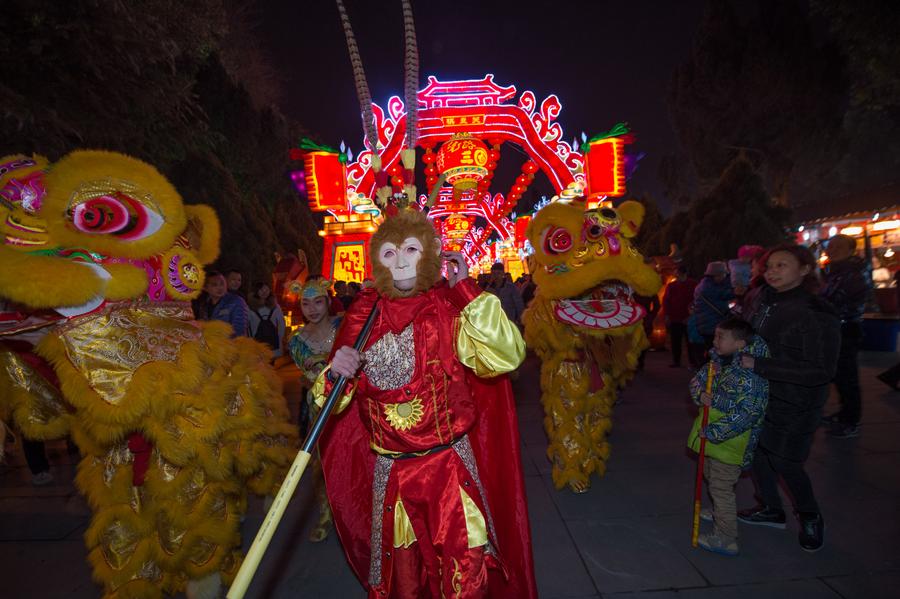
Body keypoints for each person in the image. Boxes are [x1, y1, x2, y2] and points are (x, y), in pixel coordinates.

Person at [314, 208, 537, 598]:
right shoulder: (362, 315)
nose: (400, 261)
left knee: (464, 577)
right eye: (389, 253)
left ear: (430, 255)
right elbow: (332, 400)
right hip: (394, 475)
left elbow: (506, 355)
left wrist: (467, 290)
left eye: (411, 250)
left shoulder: (449, 308)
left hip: (448, 468)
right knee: (406, 582)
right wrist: (336, 373)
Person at [737, 245, 840, 553]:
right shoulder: (760, 299)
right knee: (756, 452)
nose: (772, 271)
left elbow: (821, 370)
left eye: (782, 265)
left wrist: (760, 365)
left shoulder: (817, 312)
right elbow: (746, 333)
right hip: (757, 393)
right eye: (769, 265)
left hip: (796, 402)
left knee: (786, 460)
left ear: (805, 270)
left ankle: (809, 515)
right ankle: (770, 507)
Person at [687, 318, 769, 556]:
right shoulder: (718, 362)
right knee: (712, 476)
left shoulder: (749, 374)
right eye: (715, 336)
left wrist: (714, 431)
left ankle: (725, 537)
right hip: (713, 438)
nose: (715, 341)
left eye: (721, 337)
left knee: (722, 487)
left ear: (740, 343)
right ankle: (719, 512)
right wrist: (700, 394)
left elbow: (749, 412)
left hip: (732, 441)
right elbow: (696, 382)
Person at [288, 278, 341, 542]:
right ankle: (325, 513)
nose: (312, 309)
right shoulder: (297, 340)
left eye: (318, 302)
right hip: (318, 408)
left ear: (328, 301)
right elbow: (312, 374)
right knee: (321, 462)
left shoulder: (344, 327)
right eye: (306, 304)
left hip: (350, 404)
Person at [820, 235, 871, 438]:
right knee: (839, 376)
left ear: (851, 250)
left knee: (847, 377)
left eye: (839, 246)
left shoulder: (855, 271)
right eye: (831, 246)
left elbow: (843, 299)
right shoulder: (834, 271)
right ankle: (844, 414)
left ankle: (851, 420)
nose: (833, 250)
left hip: (846, 328)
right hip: (833, 327)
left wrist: (821, 304)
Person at [690, 261, 734, 353]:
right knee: (715, 351)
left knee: (714, 350)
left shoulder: (705, 285)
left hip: (708, 324)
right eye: (724, 274)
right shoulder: (708, 288)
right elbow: (725, 296)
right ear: (716, 275)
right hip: (711, 325)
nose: (725, 276)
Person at [663, 266, 698, 368]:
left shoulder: (693, 285)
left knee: (690, 341)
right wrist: (667, 315)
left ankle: (693, 361)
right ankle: (676, 361)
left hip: (688, 317)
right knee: (675, 341)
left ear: (684, 274)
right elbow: (667, 301)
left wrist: (691, 315)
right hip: (675, 317)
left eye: (678, 274)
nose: (676, 276)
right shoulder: (671, 286)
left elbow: (696, 301)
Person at [200, 270, 250, 337]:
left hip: (232, 345)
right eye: (215, 285)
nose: (220, 288)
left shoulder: (236, 301)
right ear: (205, 288)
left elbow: (239, 330)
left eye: (222, 284)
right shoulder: (204, 306)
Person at [248, 281, 286, 359]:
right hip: (258, 343)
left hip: (273, 342)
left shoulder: (275, 306)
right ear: (256, 291)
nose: (264, 292)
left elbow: (281, 323)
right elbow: (248, 326)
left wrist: (280, 337)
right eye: (261, 290)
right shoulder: (250, 307)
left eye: (266, 289)